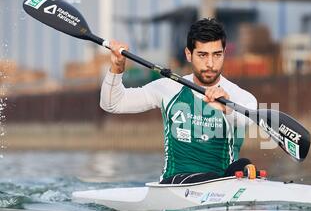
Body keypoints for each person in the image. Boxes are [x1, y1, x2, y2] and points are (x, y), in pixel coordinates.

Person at [100, 18, 257, 184]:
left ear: (224, 53)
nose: (210, 64)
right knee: (233, 171)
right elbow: (112, 104)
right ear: (189, 55)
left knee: (244, 165)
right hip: (174, 183)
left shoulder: (239, 96)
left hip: (224, 185)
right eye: (202, 55)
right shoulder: (169, 88)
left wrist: (227, 108)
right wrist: (117, 68)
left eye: (217, 55)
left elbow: (247, 120)